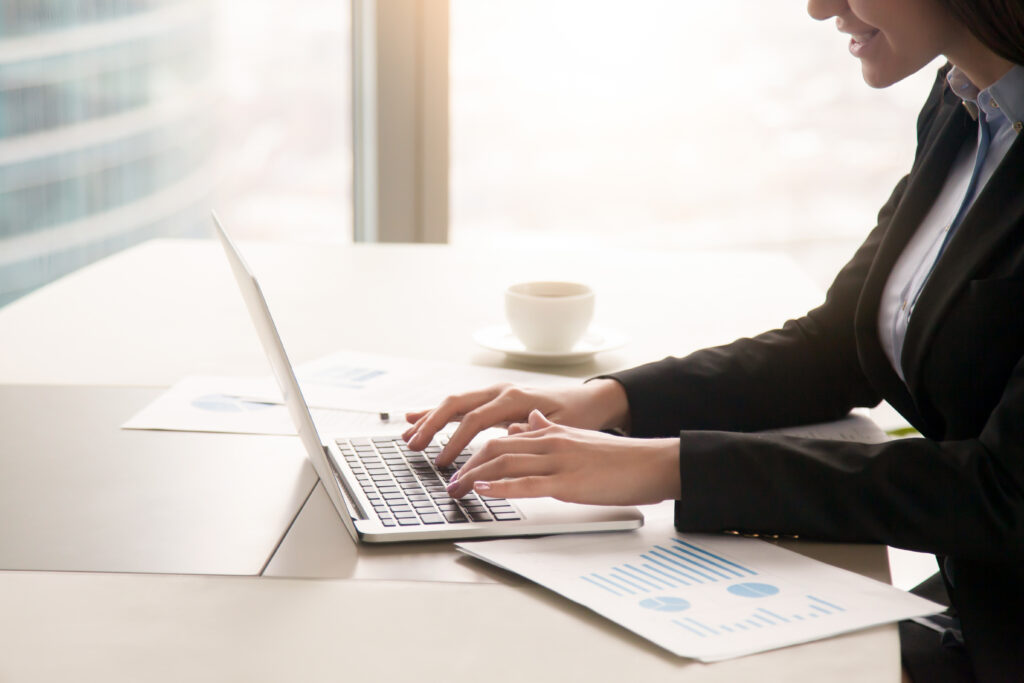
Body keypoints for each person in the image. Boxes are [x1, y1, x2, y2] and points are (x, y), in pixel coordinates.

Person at [404, 1, 1024, 680]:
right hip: (973, 608)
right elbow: (841, 346)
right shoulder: (966, 104)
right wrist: (608, 401)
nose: (820, 8)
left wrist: (668, 466)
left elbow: (1003, 492)